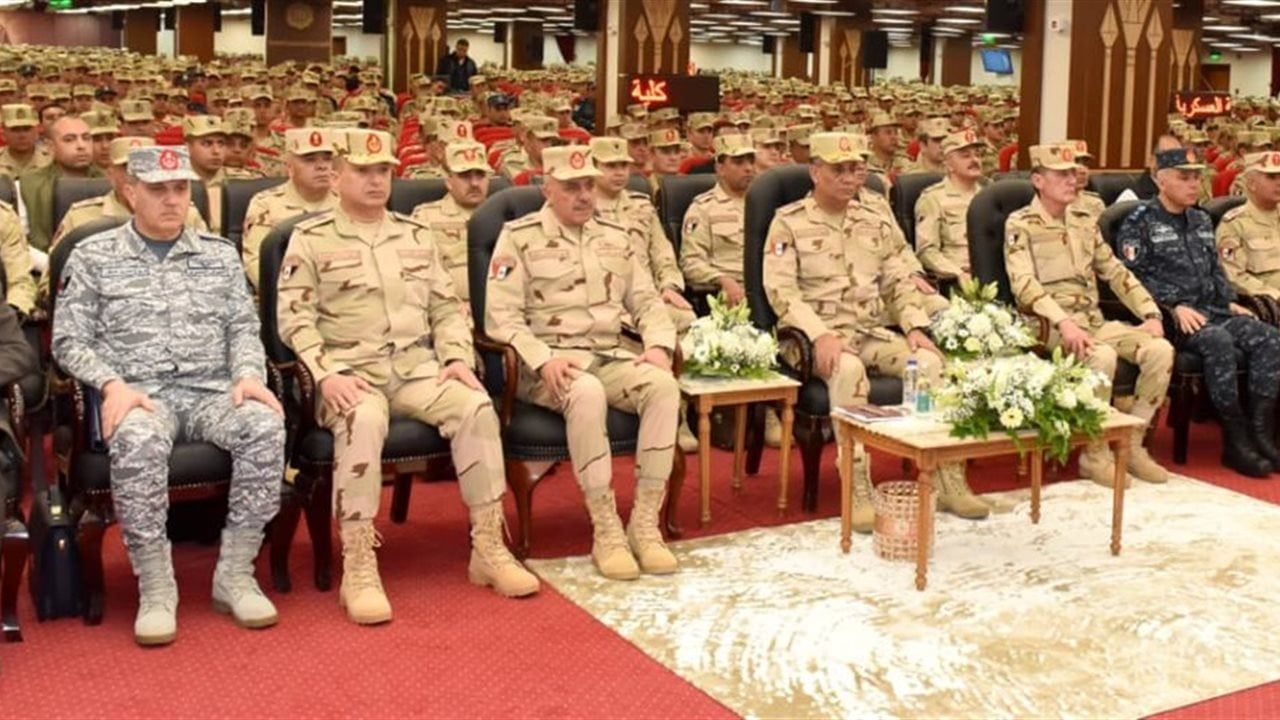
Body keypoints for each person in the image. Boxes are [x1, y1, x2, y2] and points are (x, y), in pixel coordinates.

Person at [278, 129, 538, 624]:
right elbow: (294, 321)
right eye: (363, 171)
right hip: (350, 373)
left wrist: (456, 357)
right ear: (338, 176)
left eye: (384, 171)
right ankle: (358, 563)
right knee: (363, 419)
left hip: (416, 369)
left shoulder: (416, 234)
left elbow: (445, 308)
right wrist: (327, 373)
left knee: (475, 405)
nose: (376, 180)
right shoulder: (310, 239)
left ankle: (487, 546)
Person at [51, 146, 286, 646]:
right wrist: (111, 384)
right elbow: (68, 341)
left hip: (210, 393)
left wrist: (249, 375)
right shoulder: (93, 256)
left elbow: (243, 328)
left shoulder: (219, 256)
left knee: (264, 424)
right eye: (158, 190)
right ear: (129, 191)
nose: (172, 199)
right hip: (140, 396)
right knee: (137, 438)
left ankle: (236, 574)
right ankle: (156, 585)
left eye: (181, 189)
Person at [763, 132, 987, 531]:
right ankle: (857, 483)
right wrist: (819, 334)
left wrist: (914, 325)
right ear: (815, 171)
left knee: (931, 364)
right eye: (839, 169)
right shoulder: (788, 222)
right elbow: (782, 293)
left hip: (869, 331)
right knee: (848, 371)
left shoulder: (874, 220)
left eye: (856, 169)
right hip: (813, 338)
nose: (850, 178)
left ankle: (947, 472)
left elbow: (897, 281)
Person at [485, 145, 680, 581]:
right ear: (547, 188)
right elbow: (501, 319)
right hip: (545, 366)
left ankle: (644, 523)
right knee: (586, 393)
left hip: (608, 356)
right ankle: (605, 527)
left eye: (588, 185)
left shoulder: (616, 236)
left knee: (663, 387)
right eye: (571, 187)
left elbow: (647, 302)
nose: (584, 195)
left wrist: (659, 347)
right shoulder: (519, 237)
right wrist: (543, 359)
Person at [1005, 143, 1174, 486]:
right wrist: (1064, 322)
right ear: (1038, 180)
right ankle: (1094, 454)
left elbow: (1115, 271)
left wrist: (1150, 312)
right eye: (1061, 174)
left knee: (1160, 350)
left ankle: (1132, 443)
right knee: (1102, 356)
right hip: (1049, 325)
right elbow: (1023, 285)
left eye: (1073, 172)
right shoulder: (1020, 223)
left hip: (1093, 321)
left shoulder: (1084, 221)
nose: (1072, 179)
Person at [1117, 147, 1280, 478]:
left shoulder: (1201, 219)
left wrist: (1229, 300)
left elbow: (1216, 270)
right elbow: (1132, 279)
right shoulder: (1139, 222)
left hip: (1213, 310)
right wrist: (1173, 305)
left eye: (1196, 177)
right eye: (1184, 177)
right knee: (1217, 341)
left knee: (1269, 338)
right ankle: (1235, 439)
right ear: (1160, 180)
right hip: (1171, 317)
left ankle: (1260, 431)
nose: (1194, 184)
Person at [591, 136, 699, 452]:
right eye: (610, 166)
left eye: (623, 165)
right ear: (593, 167)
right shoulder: (582, 207)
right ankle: (671, 418)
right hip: (607, 303)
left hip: (647, 298)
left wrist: (669, 287)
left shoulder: (641, 206)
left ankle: (684, 410)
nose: (619, 172)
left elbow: (662, 254)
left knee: (686, 318)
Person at [240, 128, 338, 292]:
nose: (322, 166)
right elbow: (257, 265)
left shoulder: (348, 201)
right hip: (285, 296)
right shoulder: (265, 204)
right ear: (289, 167)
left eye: (327, 159)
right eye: (310, 160)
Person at [409, 140, 489, 307]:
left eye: (480, 175)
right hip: (449, 309)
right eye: (465, 176)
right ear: (448, 181)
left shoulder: (506, 214)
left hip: (501, 309)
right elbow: (417, 275)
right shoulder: (425, 217)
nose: (474, 183)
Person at [680, 135, 756, 306]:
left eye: (751, 161)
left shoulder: (765, 202)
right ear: (720, 168)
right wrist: (721, 280)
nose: (748, 168)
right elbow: (691, 262)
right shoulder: (702, 208)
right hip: (730, 292)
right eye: (739, 162)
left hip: (768, 286)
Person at [18, 114, 103, 253]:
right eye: (69, 140)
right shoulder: (29, 184)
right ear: (50, 146)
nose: (81, 146)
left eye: (86, 138)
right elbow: (21, 241)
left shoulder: (108, 180)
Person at [913, 129, 986, 284]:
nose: (975, 160)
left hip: (992, 274)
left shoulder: (989, 196)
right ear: (948, 164)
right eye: (965, 156)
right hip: (957, 279)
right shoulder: (933, 198)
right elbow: (926, 251)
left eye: (978, 154)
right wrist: (957, 274)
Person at [1217, 151, 1280, 302]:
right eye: (1271, 177)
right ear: (1251, 184)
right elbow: (1233, 276)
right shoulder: (1234, 224)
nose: (1279, 183)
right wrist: (1275, 296)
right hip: (1268, 303)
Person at [0, 104, 51, 177]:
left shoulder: (52, 159)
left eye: (27, 129)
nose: (22, 135)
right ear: (3, 134)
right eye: (15, 130)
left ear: (37, 131)